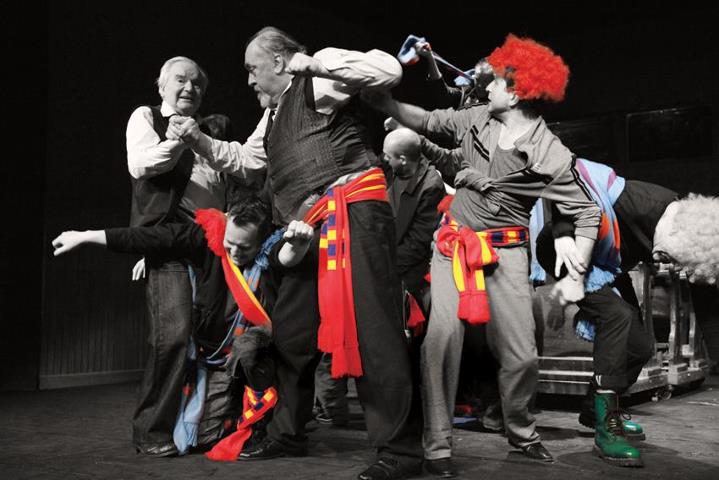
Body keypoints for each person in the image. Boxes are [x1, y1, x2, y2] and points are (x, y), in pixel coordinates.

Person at [167, 27, 423, 480]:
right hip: (303, 228)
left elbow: (388, 69)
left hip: (352, 212)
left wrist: (318, 64)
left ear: (280, 61)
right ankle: (286, 433)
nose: (249, 80)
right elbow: (246, 161)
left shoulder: (315, 79)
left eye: (253, 68)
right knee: (291, 332)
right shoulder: (272, 116)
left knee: (373, 327)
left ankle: (400, 451)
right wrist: (197, 140)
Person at [364, 34, 601, 477]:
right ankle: (437, 447)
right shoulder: (477, 118)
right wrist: (387, 104)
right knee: (442, 341)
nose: (485, 87)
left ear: (515, 93)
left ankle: (522, 432)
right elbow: (429, 119)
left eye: (494, 82)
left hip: (506, 253)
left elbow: (587, 211)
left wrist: (576, 275)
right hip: (454, 245)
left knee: (522, 355)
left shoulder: (551, 154)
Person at [52, 195, 315, 458]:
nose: (234, 253)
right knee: (205, 437)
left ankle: (262, 423)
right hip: (215, 358)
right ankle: (231, 411)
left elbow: (285, 256)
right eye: (230, 243)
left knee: (248, 349)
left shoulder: (270, 246)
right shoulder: (207, 235)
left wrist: (299, 244)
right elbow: (153, 237)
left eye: (244, 248)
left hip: (254, 353)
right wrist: (86, 236)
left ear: (261, 240)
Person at [534, 162, 719, 467]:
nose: (670, 268)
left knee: (639, 347)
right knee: (616, 315)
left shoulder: (694, 240)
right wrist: (565, 233)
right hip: (566, 250)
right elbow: (572, 178)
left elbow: (710, 313)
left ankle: (594, 410)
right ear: (677, 233)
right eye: (675, 261)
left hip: (609, 263)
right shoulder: (638, 202)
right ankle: (606, 430)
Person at [124, 56, 230, 457]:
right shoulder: (147, 117)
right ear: (162, 85)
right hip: (168, 244)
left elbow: (222, 184)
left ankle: (201, 426)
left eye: (197, 83)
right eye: (181, 80)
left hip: (211, 248)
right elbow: (141, 165)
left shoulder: (209, 132)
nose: (190, 88)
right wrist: (182, 139)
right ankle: (152, 432)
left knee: (209, 341)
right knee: (172, 337)